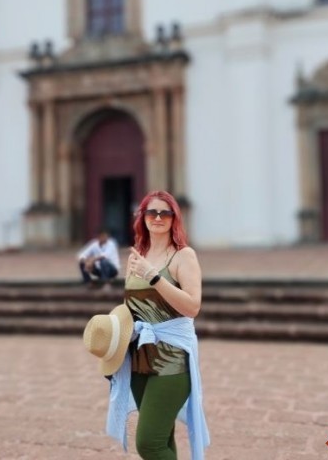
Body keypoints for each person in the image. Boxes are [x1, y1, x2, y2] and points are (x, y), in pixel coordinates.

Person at [103, 190, 210, 459]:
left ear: (175, 218)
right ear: (142, 217)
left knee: (148, 442)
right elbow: (131, 309)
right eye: (152, 212)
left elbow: (192, 307)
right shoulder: (137, 256)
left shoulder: (183, 256)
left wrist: (154, 278)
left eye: (165, 213)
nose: (158, 217)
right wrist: (113, 338)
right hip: (139, 358)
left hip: (172, 359)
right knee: (163, 438)